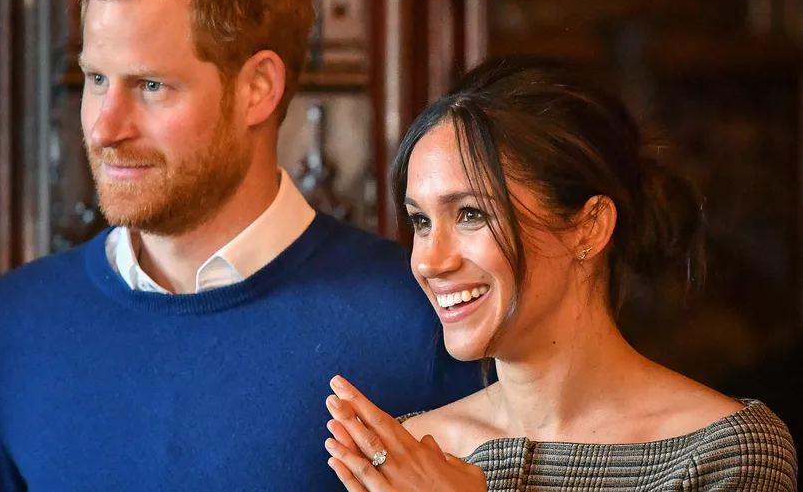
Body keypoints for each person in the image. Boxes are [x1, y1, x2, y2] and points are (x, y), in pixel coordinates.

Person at [0, 0, 479, 490]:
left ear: (257, 88)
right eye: (96, 79)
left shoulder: (423, 321)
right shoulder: (13, 325)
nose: (104, 128)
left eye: (150, 85)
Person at [321, 58, 799, 491]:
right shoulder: (408, 456)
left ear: (589, 227)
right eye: (421, 222)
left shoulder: (723, 453)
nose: (429, 261)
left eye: (470, 214)